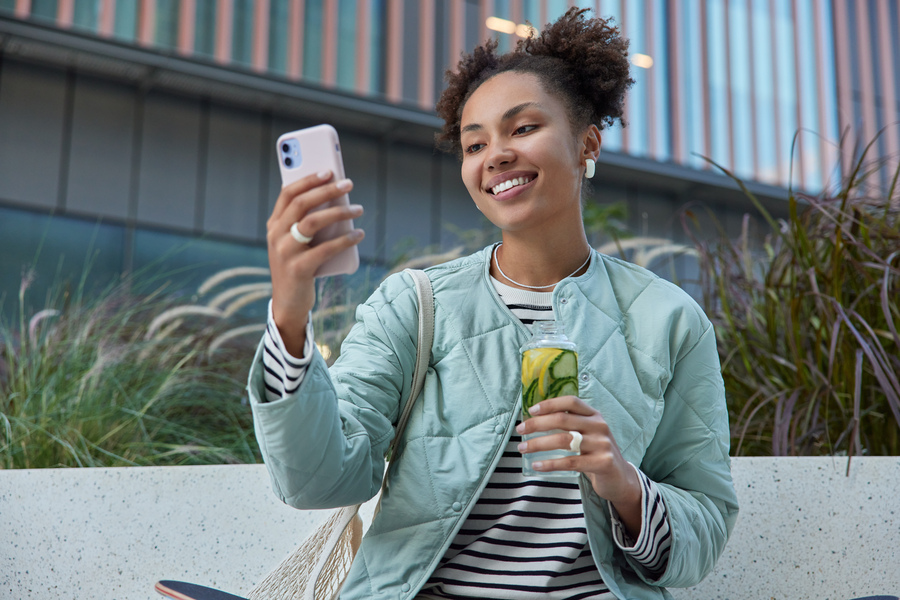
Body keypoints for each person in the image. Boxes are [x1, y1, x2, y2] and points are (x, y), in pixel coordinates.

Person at [249, 8, 738, 600]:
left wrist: (623, 482)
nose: (495, 156)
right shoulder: (416, 306)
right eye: (473, 143)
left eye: (523, 128)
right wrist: (290, 317)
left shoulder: (669, 320)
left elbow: (704, 525)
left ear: (588, 143)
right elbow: (319, 480)